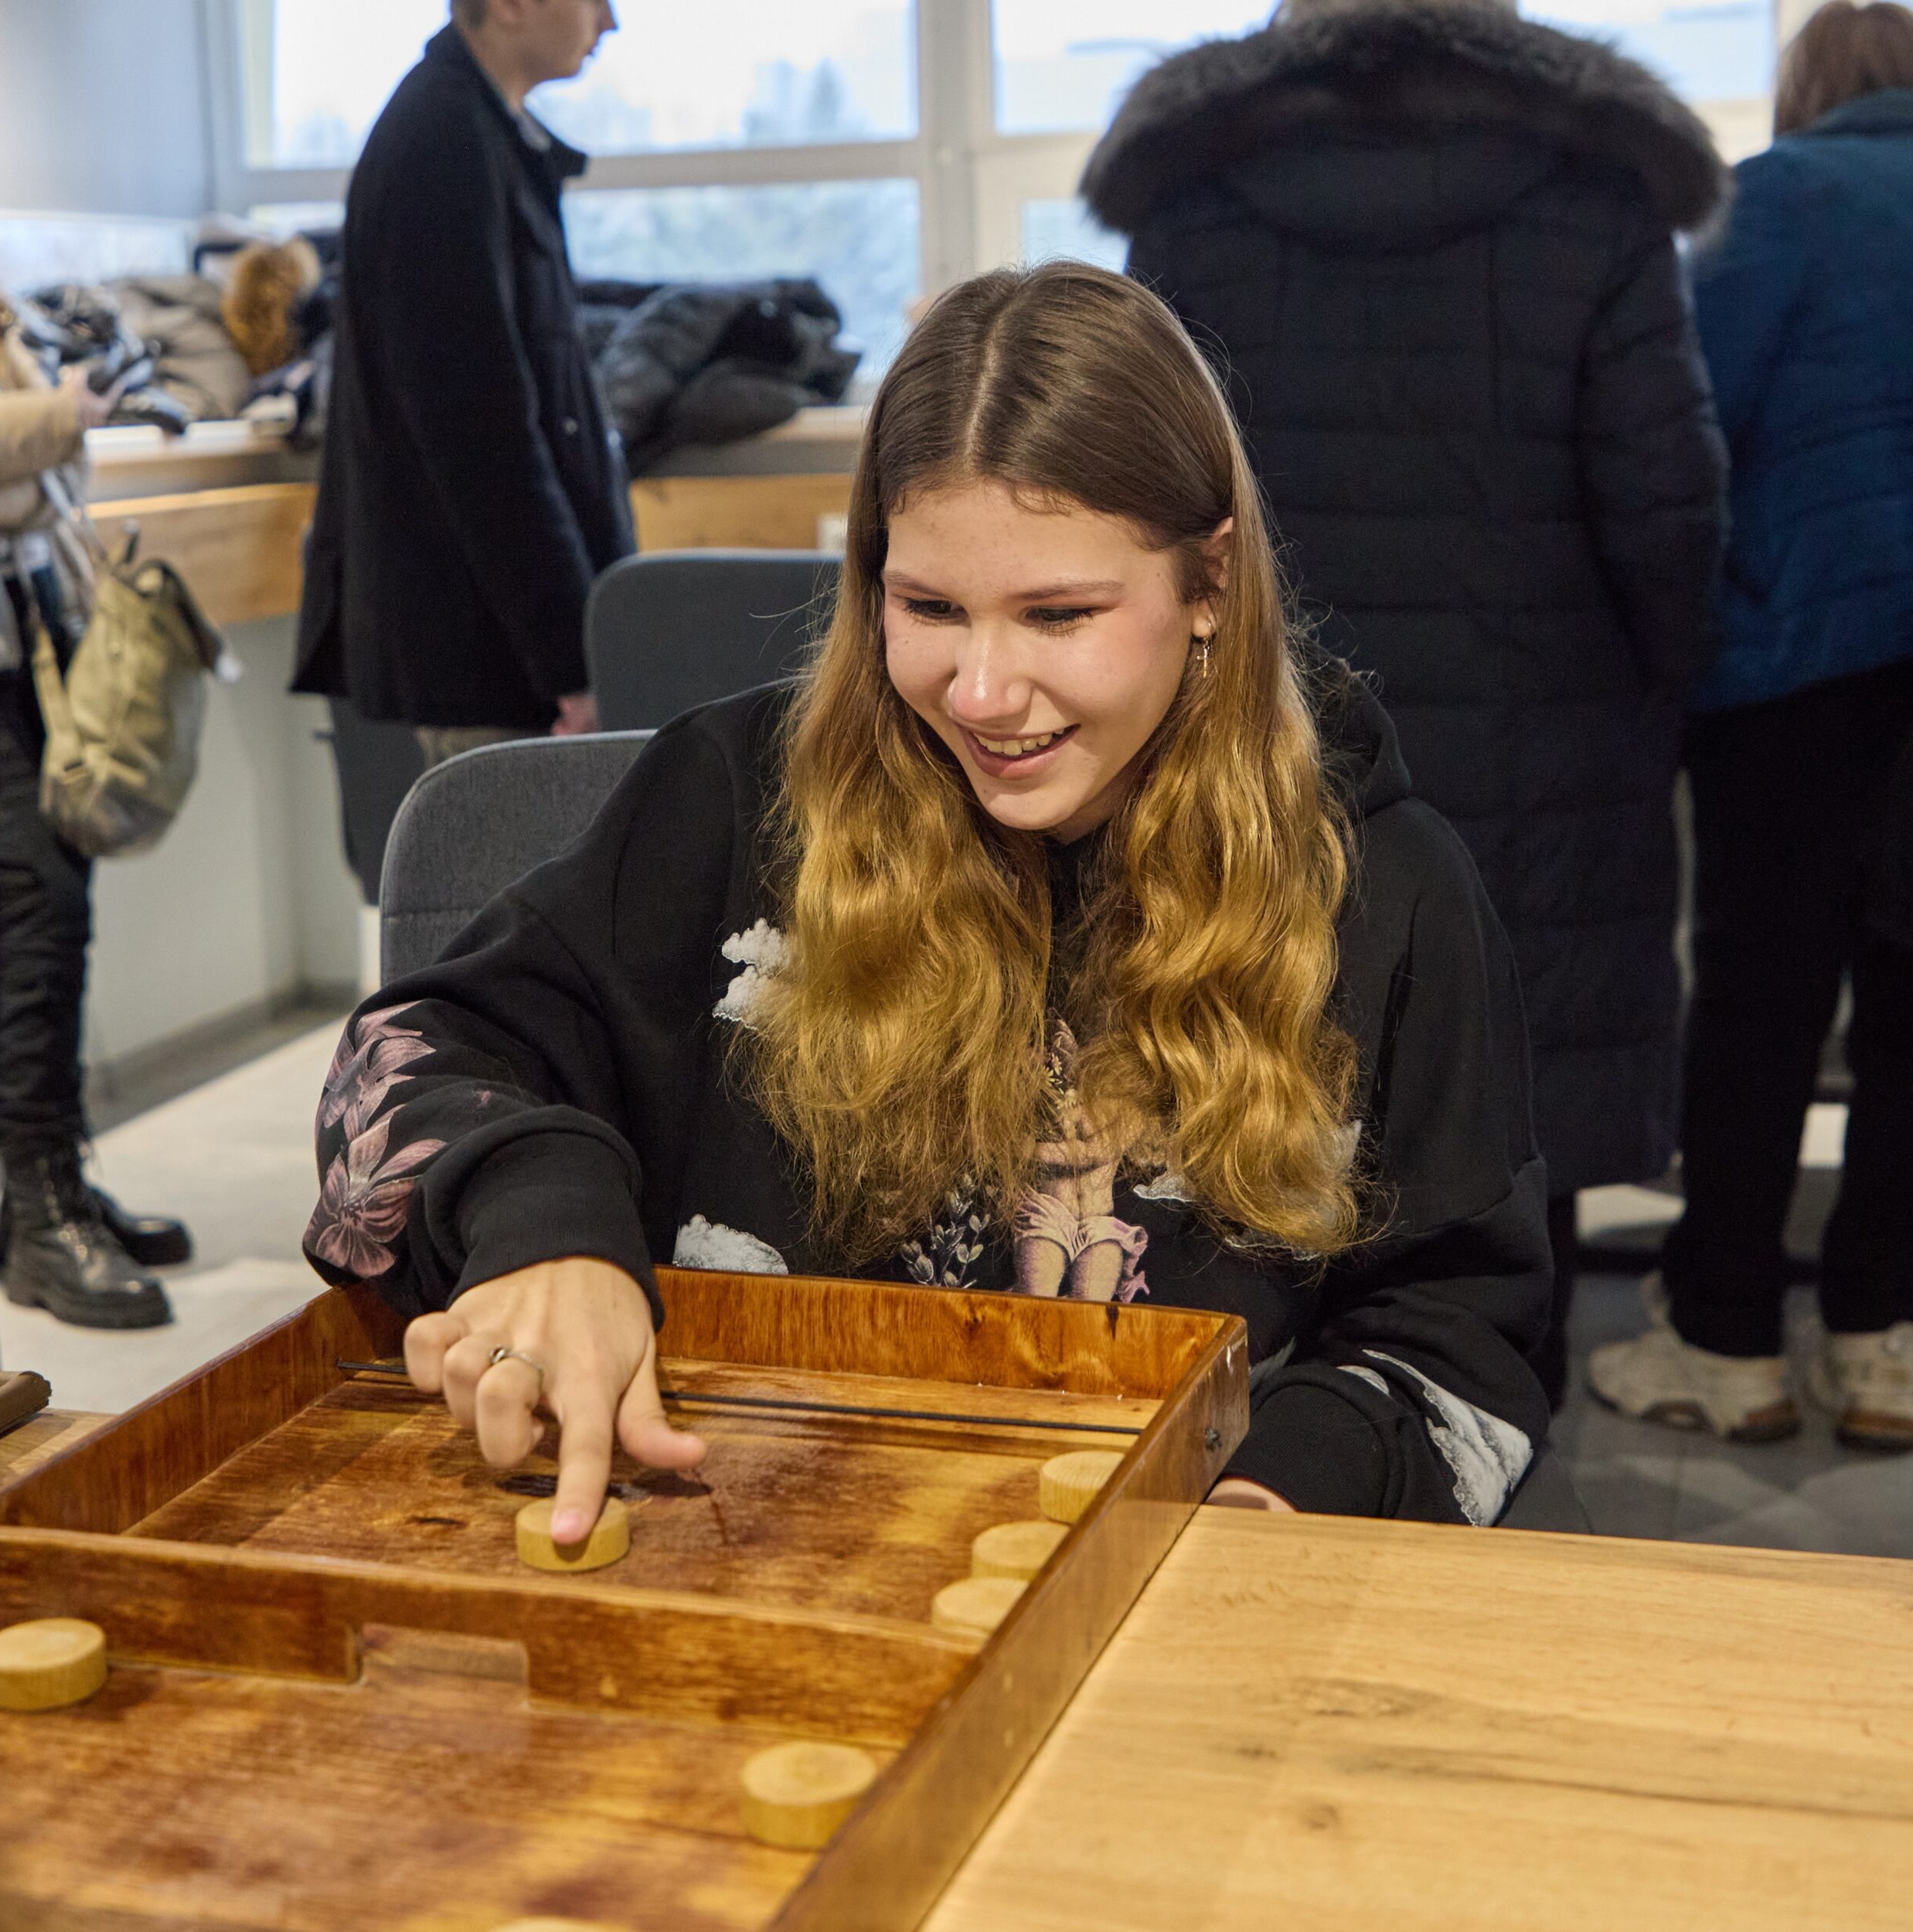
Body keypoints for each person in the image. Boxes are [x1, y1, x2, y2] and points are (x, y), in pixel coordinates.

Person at [302, 263, 1551, 1546]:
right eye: (930, 607)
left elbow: (1461, 1335)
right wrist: (543, 1228)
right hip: (745, 1542)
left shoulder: (1384, 887)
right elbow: (412, 1056)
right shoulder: (736, 802)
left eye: (1058, 615)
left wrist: (1269, 1502)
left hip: (1174, 1576)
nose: (984, 693)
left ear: (1209, 585)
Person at [1079, 0, 1729, 1412]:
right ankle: (1481, 1438)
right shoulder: (1597, 188)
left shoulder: (1198, 187)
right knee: (1514, 1130)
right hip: (1544, 747)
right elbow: (1667, 510)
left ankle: (1268, 1458)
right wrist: (1657, 687)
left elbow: (1142, 485)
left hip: (1259, 733)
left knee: (1248, 1078)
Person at [1590, 2, 1913, 1448]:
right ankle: (1884, 1337)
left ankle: (1729, 1339)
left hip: (1797, 669)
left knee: (1762, 1002)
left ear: (1810, 89)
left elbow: (1685, 426)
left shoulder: (1775, 200)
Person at [292, 0, 631, 767]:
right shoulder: (440, 138)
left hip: (507, 653)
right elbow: (479, 429)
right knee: (508, 853)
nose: (609, 21)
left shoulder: (482, 131)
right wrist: (567, 658)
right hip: (490, 662)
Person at [0, 182, 192, 1331]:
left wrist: (30, 451)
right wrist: (56, 418)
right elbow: (39, 447)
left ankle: (44, 1196)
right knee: (37, 920)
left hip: (24, 650)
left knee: (45, 921)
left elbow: (49, 481)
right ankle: (39, 1209)